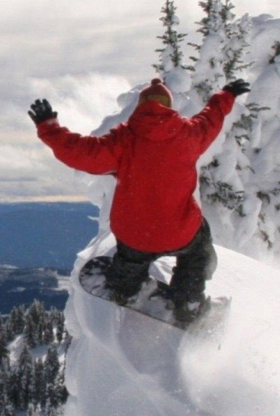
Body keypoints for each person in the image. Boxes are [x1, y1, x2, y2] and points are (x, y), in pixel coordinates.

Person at [29, 76, 250, 324]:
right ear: (168, 105)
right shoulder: (189, 135)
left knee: (131, 258)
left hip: (136, 235)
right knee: (198, 252)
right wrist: (227, 94)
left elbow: (81, 152)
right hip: (181, 232)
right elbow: (212, 118)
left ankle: (126, 289)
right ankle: (189, 300)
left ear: (140, 105)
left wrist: (49, 127)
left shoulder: (123, 141)